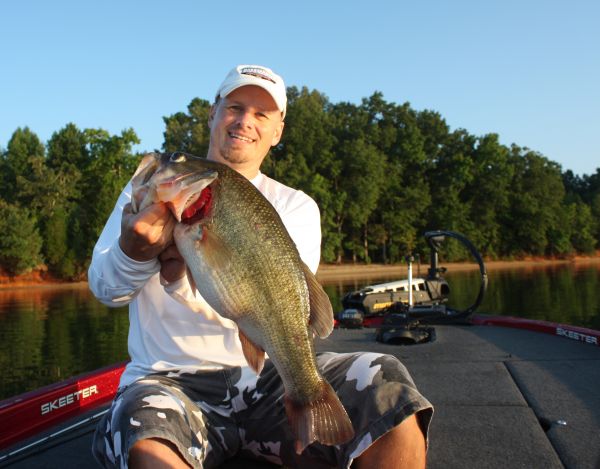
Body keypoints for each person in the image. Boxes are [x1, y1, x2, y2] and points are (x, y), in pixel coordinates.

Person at [89, 64, 433, 469]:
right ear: (213, 112)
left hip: (267, 379)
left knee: (386, 382)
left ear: (277, 132)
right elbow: (106, 290)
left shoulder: (296, 207)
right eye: (235, 106)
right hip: (169, 380)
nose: (244, 121)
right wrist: (135, 249)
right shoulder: (144, 192)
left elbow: (273, 307)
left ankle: (306, 404)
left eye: (261, 114)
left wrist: (179, 266)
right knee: (146, 439)